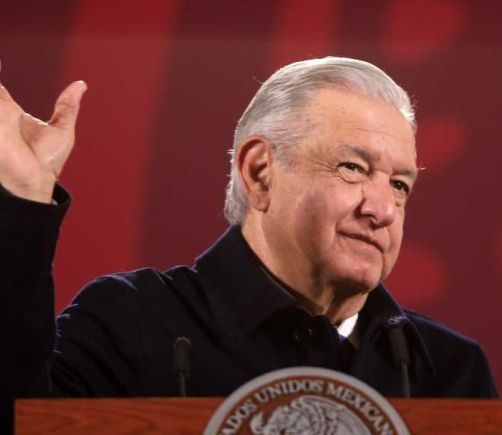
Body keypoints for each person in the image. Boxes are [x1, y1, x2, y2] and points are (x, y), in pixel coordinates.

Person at [0, 58, 498, 408]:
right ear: (260, 172)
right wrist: (22, 200)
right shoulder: (131, 324)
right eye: (352, 168)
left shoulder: (449, 371)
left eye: (400, 185)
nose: (383, 210)